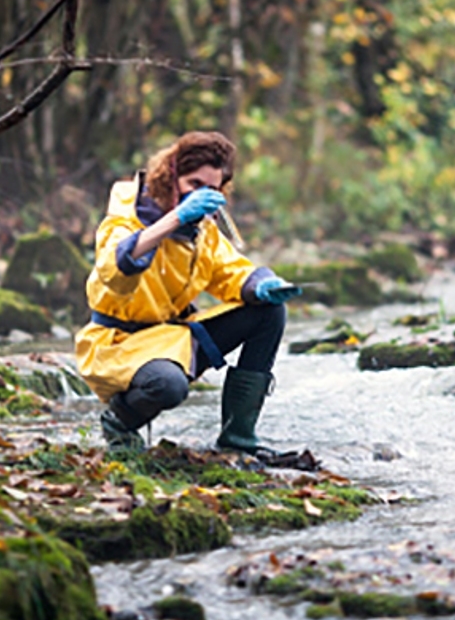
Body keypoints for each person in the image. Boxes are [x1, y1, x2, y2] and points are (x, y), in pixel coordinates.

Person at [75, 131, 301, 453]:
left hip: (173, 337)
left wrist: (260, 284)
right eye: (195, 184)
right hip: (118, 343)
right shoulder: (125, 218)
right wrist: (174, 218)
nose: (203, 194)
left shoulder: (201, 232)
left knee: (269, 312)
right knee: (169, 386)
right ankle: (119, 422)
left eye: (212, 188)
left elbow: (230, 272)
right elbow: (115, 267)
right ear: (170, 177)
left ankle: (238, 438)